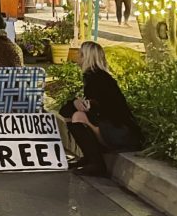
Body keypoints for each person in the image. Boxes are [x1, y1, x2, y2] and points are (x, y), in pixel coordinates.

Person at [59, 41, 143, 176]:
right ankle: (90, 158)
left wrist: (83, 105)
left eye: (80, 53)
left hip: (120, 133)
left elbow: (101, 110)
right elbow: (65, 111)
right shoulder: (96, 77)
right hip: (117, 130)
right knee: (74, 114)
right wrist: (76, 104)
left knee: (78, 117)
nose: (77, 56)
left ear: (86, 57)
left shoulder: (98, 80)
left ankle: (97, 164)